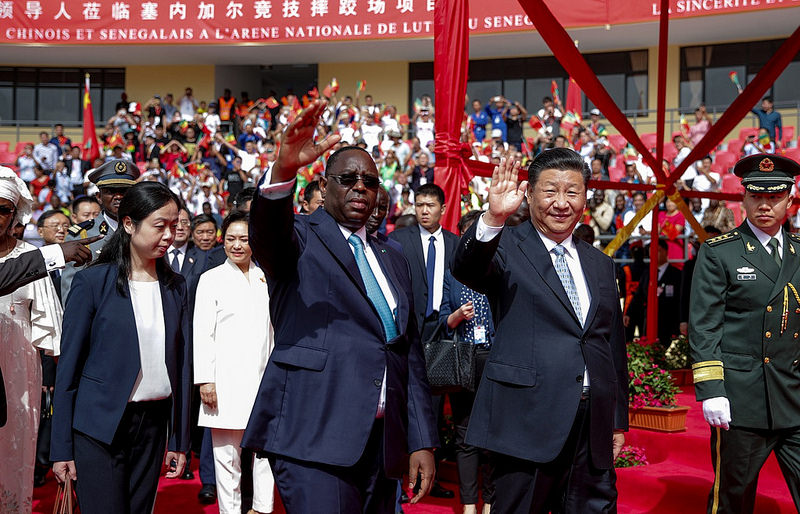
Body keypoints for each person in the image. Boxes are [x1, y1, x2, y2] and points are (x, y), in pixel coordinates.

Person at [242, 100, 437, 513]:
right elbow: (268, 233)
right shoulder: (300, 237)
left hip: (382, 445)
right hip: (314, 434)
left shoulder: (393, 255)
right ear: (325, 186)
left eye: (369, 181)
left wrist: (420, 440)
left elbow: (408, 353)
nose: (360, 187)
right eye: (347, 179)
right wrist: (282, 172)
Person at [452, 151, 628, 514]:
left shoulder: (600, 263)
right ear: (529, 194)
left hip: (590, 429)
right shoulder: (505, 247)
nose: (561, 203)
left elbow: (610, 346)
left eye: (572, 192)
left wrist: (615, 420)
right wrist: (493, 218)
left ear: (585, 198)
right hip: (526, 422)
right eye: (550, 191)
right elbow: (466, 268)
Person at [50, 182, 192, 514]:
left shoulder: (176, 287)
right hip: (99, 426)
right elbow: (68, 370)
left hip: (153, 425)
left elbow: (183, 365)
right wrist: (62, 448)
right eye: (160, 226)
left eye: (174, 225)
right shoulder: (92, 283)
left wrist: (180, 440)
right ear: (129, 224)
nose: (169, 235)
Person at [690, 154, 800, 514]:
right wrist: (712, 390)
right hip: (741, 400)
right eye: (756, 196)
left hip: (794, 393)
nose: (765, 204)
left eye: (775, 196)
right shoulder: (720, 252)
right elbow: (705, 326)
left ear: (790, 198)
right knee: (732, 497)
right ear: (744, 198)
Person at [194, 211, 275, 514]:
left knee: (265, 450)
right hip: (224, 380)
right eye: (231, 239)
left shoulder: (266, 277)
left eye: (243, 239)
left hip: (264, 377)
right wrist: (205, 379)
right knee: (226, 456)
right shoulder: (210, 279)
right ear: (222, 240)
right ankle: (229, 510)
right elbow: (202, 333)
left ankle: (262, 507)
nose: (237, 245)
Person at [0, 168, 63, 513]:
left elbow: (51, 330)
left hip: (19, 370)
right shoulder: (36, 259)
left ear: (15, 214)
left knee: (16, 446)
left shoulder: (27, 254)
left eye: (4, 209)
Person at [438, 209, 495, 514]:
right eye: (467, 234)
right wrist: (458, 315)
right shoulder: (452, 274)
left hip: (494, 358)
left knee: (493, 434)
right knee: (465, 434)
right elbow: (443, 320)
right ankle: (470, 505)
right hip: (463, 358)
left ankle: (490, 503)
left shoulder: (497, 268)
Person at [60, 159, 139, 305]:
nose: (119, 196)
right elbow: (70, 289)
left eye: (124, 191)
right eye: (110, 191)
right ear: (99, 197)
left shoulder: (144, 229)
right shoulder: (82, 235)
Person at [624, 238, 682, 346]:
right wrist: (628, 313)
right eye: (652, 252)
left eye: (658, 251)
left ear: (665, 251)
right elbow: (638, 296)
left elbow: (681, 300)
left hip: (669, 324)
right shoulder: (647, 273)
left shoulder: (676, 274)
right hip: (649, 323)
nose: (654, 254)